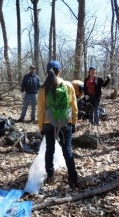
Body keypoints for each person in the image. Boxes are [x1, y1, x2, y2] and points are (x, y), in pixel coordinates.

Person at [37, 60, 78, 189]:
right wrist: (74, 122)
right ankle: (73, 178)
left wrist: (41, 126)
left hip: (48, 123)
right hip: (65, 122)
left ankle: (50, 175)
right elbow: (74, 106)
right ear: (59, 71)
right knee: (68, 150)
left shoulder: (43, 88)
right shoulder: (68, 85)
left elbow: (40, 109)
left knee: (50, 149)